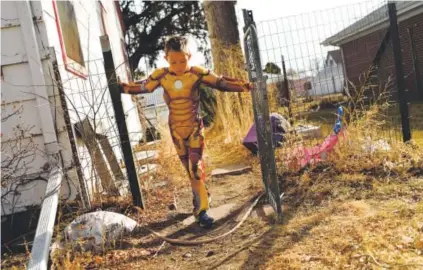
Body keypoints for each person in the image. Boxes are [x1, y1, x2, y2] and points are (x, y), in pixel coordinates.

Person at [120, 35, 252, 228]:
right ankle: (200, 198)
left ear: (189, 56)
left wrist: (246, 86)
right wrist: (121, 88)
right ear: (166, 59)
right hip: (176, 132)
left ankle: (202, 212)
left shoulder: (197, 73)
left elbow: (221, 82)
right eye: (174, 61)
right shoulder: (161, 76)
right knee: (191, 174)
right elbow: (143, 87)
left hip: (194, 129)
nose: (179, 65)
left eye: (183, 60)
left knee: (196, 170)